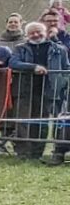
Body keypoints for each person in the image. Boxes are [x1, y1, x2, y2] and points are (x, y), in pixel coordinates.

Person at [9, 22, 69, 163]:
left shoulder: (60, 49)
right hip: (25, 90)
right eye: (32, 33)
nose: (36, 35)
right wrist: (33, 67)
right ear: (27, 35)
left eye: (38, 31)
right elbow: (13, 63)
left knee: (43, 122)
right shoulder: (20, 49)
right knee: (23, 122)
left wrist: (62, 84)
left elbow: (66, 68)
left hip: (50, 90)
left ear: (45, 32)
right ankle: (23, 152)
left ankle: (39, 152)